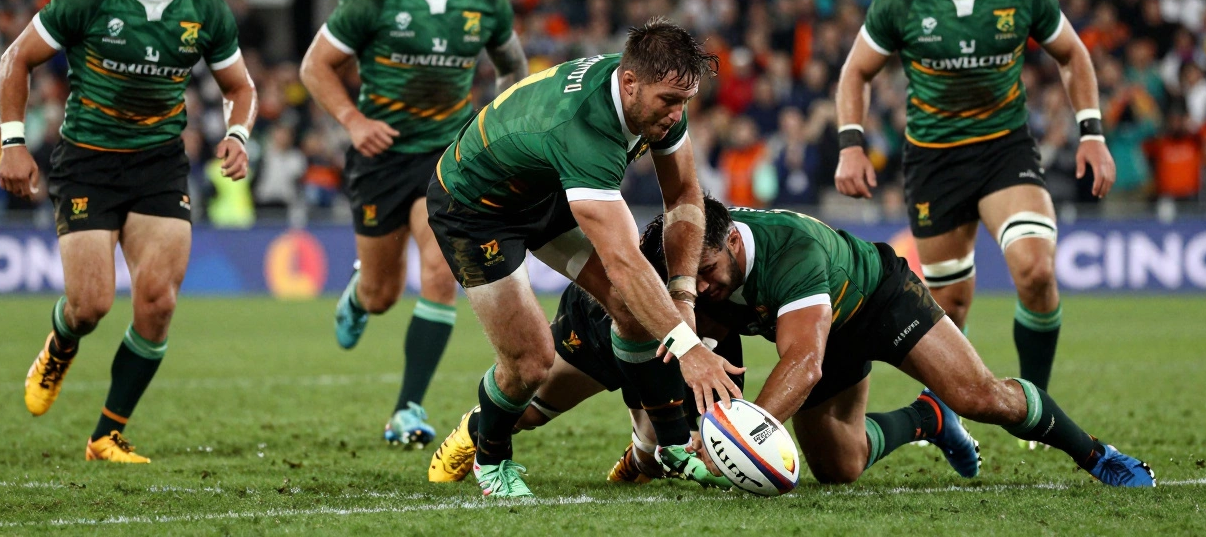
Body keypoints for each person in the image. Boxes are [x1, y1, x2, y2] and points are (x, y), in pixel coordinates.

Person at [437, 198, 1156, 489]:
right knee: (839, 468)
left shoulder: (792, 256)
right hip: (796, 338)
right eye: (690, 276)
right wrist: (668, 441)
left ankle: (1097, 454)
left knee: (983, 394)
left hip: (871, 303)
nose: (702, 285)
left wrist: (742, 434)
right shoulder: (695, 276)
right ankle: (924, 422)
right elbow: (698, 371)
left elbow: (803, 360)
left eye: (709, 272)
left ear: (733, 245)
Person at [834, 0, 1116, 446]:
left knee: (1036, 270)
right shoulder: (902, 0)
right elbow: (855, 72)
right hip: (934, 163)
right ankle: (942, 417)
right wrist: (851, 144)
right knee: (950, 304)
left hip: (1003, 150)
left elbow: (1073, 55)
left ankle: (1036, 406)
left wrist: (1092, 132)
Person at [426, 19, 743, 497]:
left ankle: (672, 447)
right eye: (670, 102)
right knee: (531, 361)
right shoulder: (585, 129)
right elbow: (624, 261)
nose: (677, 116)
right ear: (630, 83)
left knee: (635, 310)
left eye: (685, 102)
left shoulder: (649, 99)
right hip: (476, 209)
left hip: (544, 186)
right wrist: (689, 349)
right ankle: (489, 459)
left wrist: (682, 296)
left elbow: (684, 196)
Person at [1, 0, 256, 463]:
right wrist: (13, 142)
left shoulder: (206, 11)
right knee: (89, 305)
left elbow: (241, 87)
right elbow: (16, 58)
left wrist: (237, 135)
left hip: (159, 160)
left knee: (159, 302)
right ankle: (61, 342)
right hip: (88, 159)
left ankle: (106, 434)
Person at [299, 0, 528, 447]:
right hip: (379, 155)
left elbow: (512, 67)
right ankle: (358, 296)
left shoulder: (485, 1)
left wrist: (496, 127)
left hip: (446, 156)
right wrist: (352, 122)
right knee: (382, 293)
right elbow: (315, 66)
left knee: (440, 274)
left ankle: (407, 407)